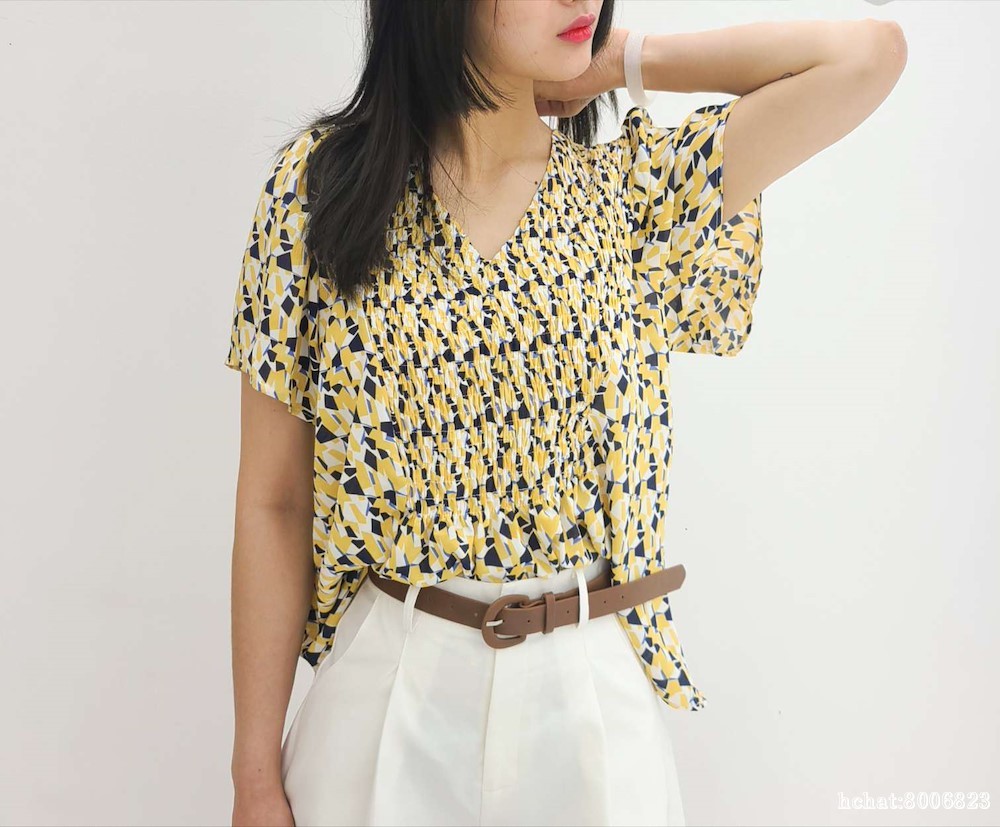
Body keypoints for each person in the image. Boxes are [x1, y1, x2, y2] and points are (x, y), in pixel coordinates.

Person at [224, 3, 907, 825]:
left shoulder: (631, 191)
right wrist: (254, 774)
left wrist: (623, 60)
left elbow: (868, 56)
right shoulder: (321, 189)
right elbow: (275, 501)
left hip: (588, 700)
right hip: (387, 692)